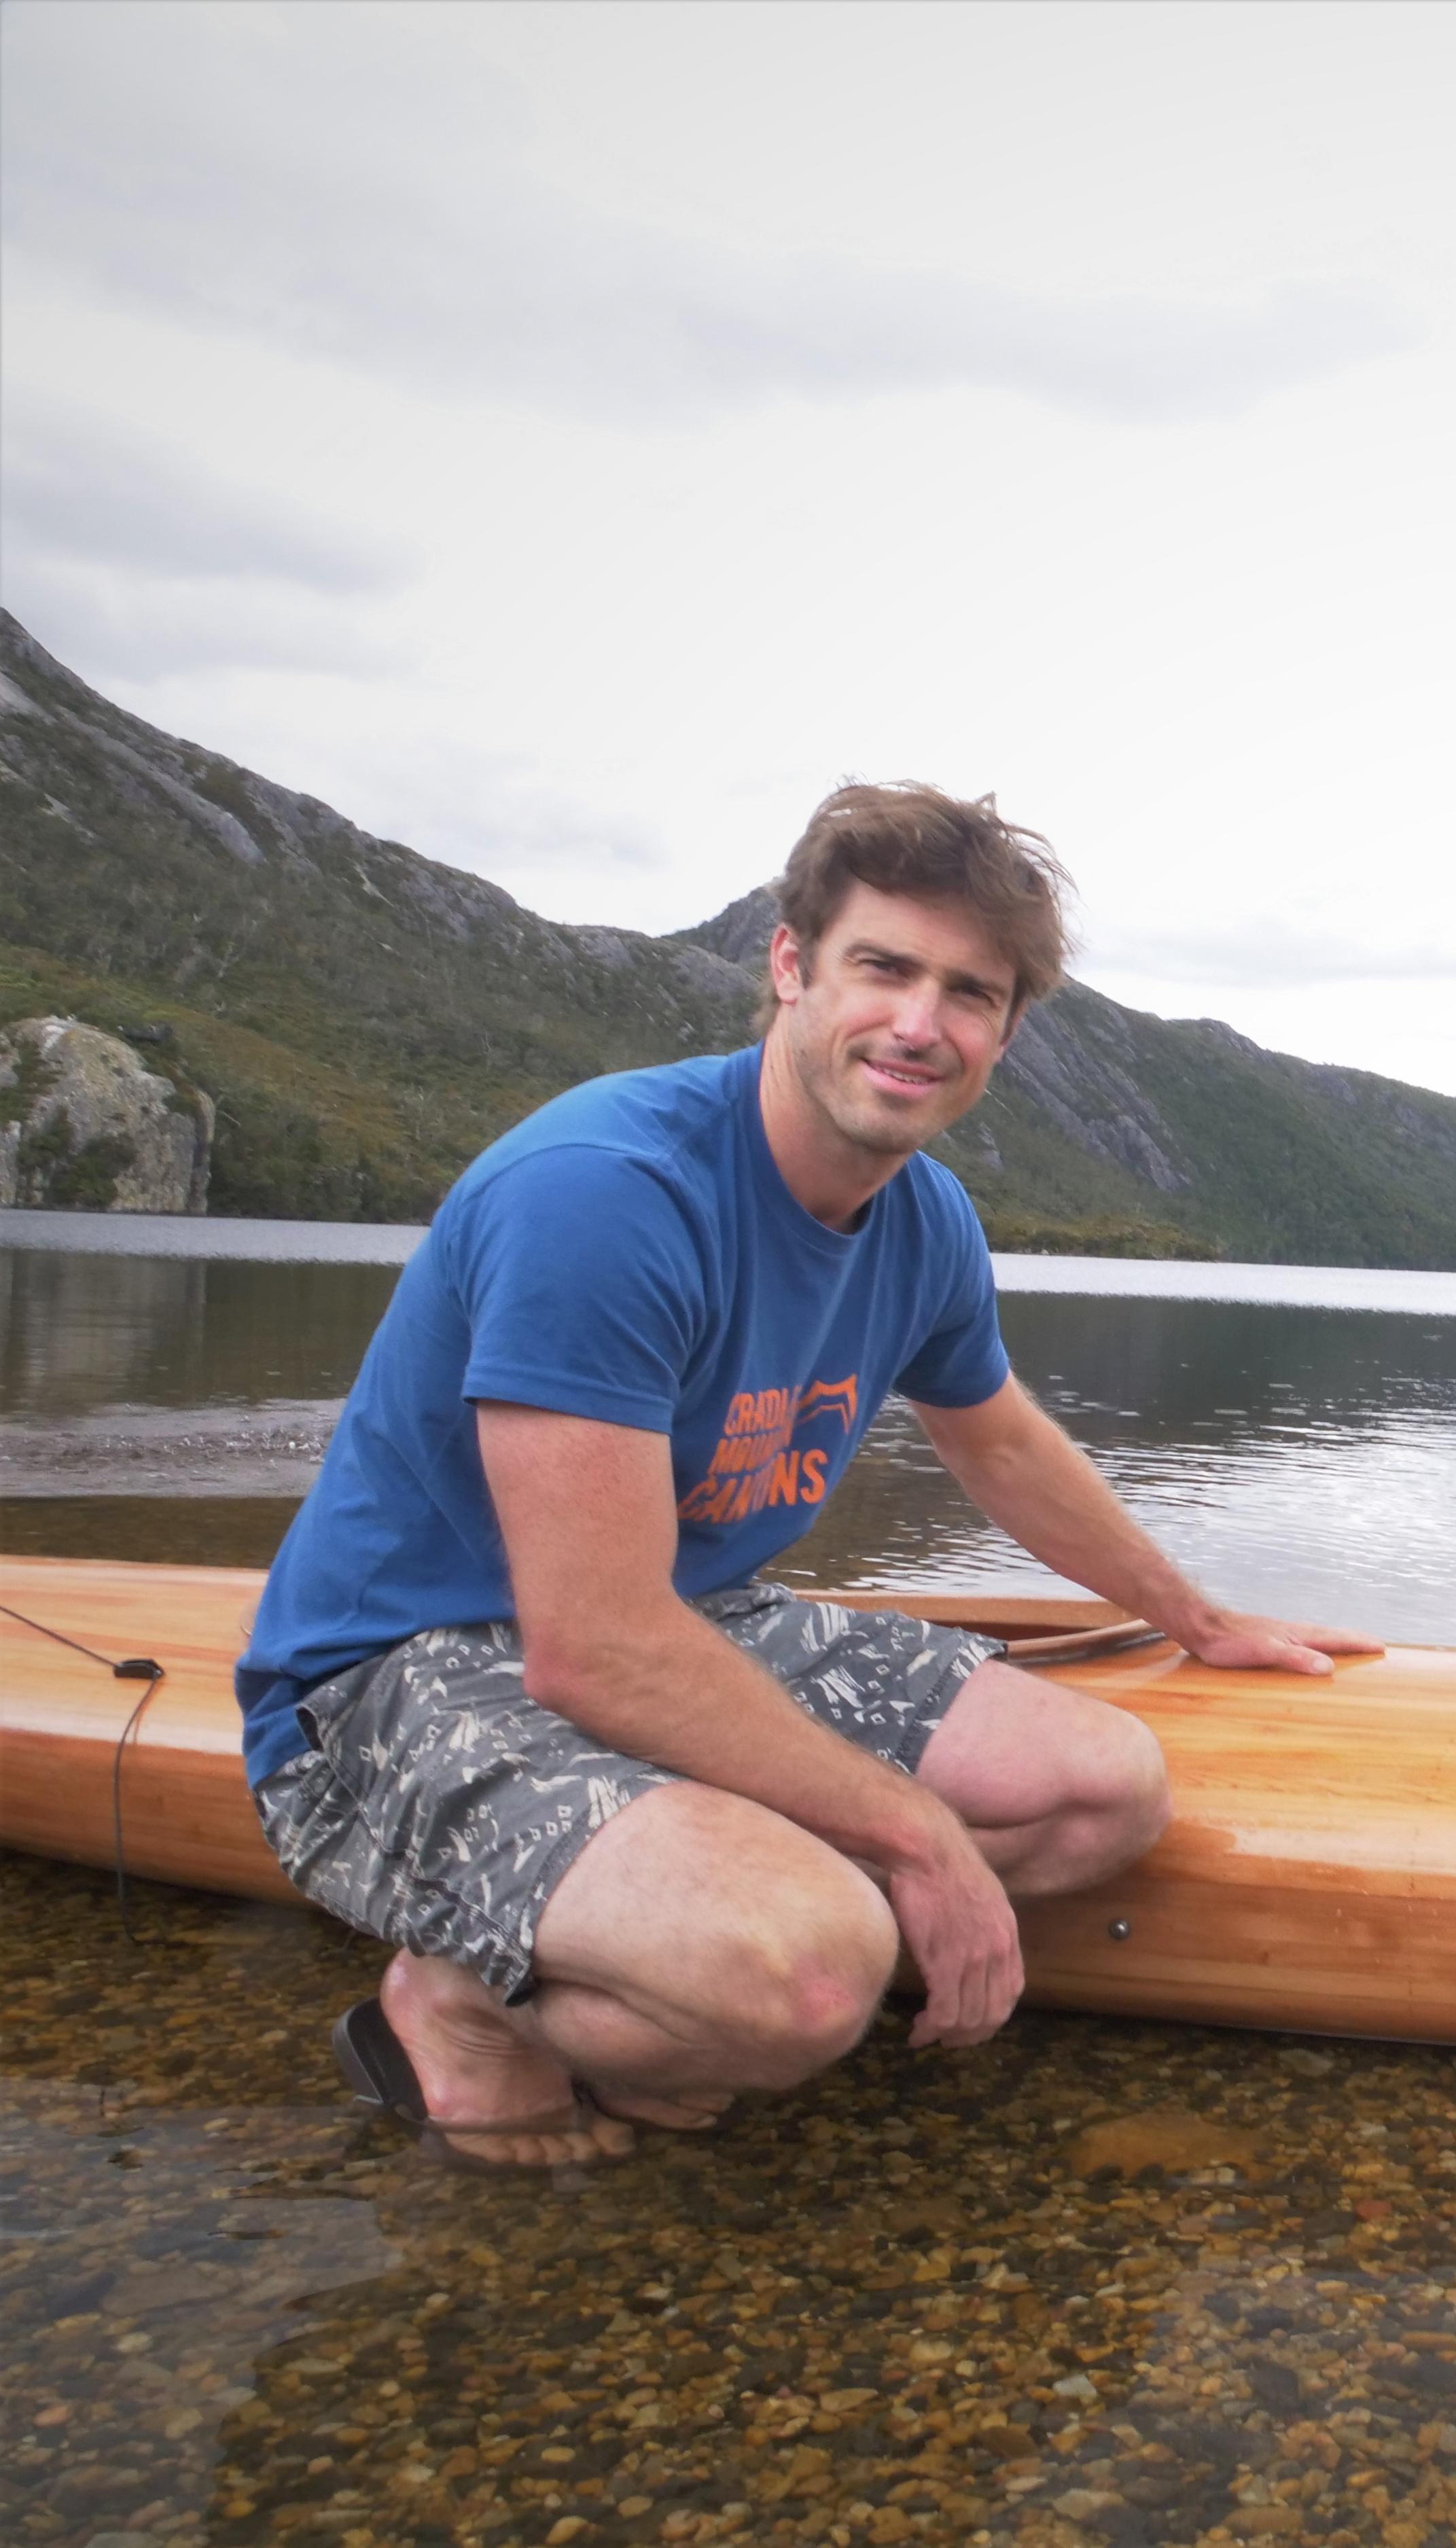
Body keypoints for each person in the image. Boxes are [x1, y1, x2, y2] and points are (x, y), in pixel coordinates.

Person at [235, 783, 1377, 2168]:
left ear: (1005, 1034)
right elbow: (591, 1649)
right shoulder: (604, 1195)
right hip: (393, 1670)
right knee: (815, 1977)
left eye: (970, 993)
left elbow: (1001, 1438)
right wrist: (914, 1838)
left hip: (687, 1618)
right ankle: (462, 2000)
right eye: (883, 967)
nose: (920, 1023)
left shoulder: (923, 1217)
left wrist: (1195, 1617)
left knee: (1103, 1789)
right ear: (790, 968)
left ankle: (683, 1937)